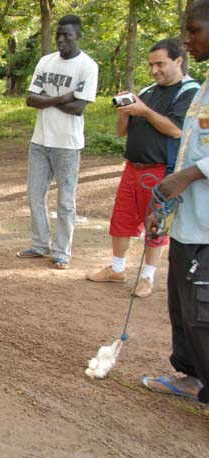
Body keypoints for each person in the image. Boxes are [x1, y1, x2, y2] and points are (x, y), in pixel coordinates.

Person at [86, 39, 199, 297]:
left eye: (160, 64)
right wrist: (125, 114)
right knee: (122, 218)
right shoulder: (148, 91)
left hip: (161, 170)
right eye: (151, 64)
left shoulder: (189, 92)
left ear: (178, 61)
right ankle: (117, 269)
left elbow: (177, 129)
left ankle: (147, 276)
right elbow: (122, 131)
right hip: (132, 166)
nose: (154, 70)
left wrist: (145, 111)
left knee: (155, 223)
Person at [141, 0, 209, 404]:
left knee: (203, 312)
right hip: (189, 222)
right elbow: (190, 151)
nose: (187, 38)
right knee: (183, 307)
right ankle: (191, 377)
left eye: (194, 29)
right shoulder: (205, 87)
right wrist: (166, 203)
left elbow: (193, 165)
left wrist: (183, 177)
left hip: (207, 229)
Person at [16, 14, 99, 270]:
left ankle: (62, 251)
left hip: (67, 144)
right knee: (35, 195)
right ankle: (40, 244)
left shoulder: (87, 66)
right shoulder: (45, 61)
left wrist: (49, 99)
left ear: (79, 36)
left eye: (67, 35)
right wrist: (61, 98)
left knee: (65, 201)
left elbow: (78, 108)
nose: (61, 39)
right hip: (40, 140)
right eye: (59, 35)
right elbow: (31, 99)